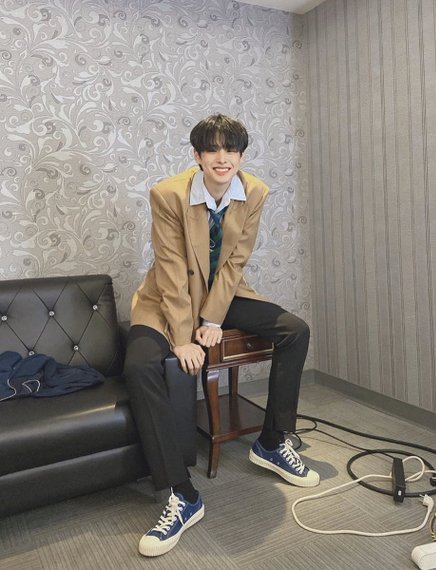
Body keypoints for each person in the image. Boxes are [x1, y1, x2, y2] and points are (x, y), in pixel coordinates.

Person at [124, 114, 319, 557]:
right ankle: (182, 494)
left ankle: (272, 442)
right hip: (166, 299)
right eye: (211, 149)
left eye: (230, 149)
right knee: (139, 365)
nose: (222, 157)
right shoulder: (168, 194)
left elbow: (234, 262)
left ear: (241, 156)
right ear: (197, 156)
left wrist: (211, 320)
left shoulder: (254, 192)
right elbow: (171, 268)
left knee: (295, 330)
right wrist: (182, 337)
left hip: (221, 293)